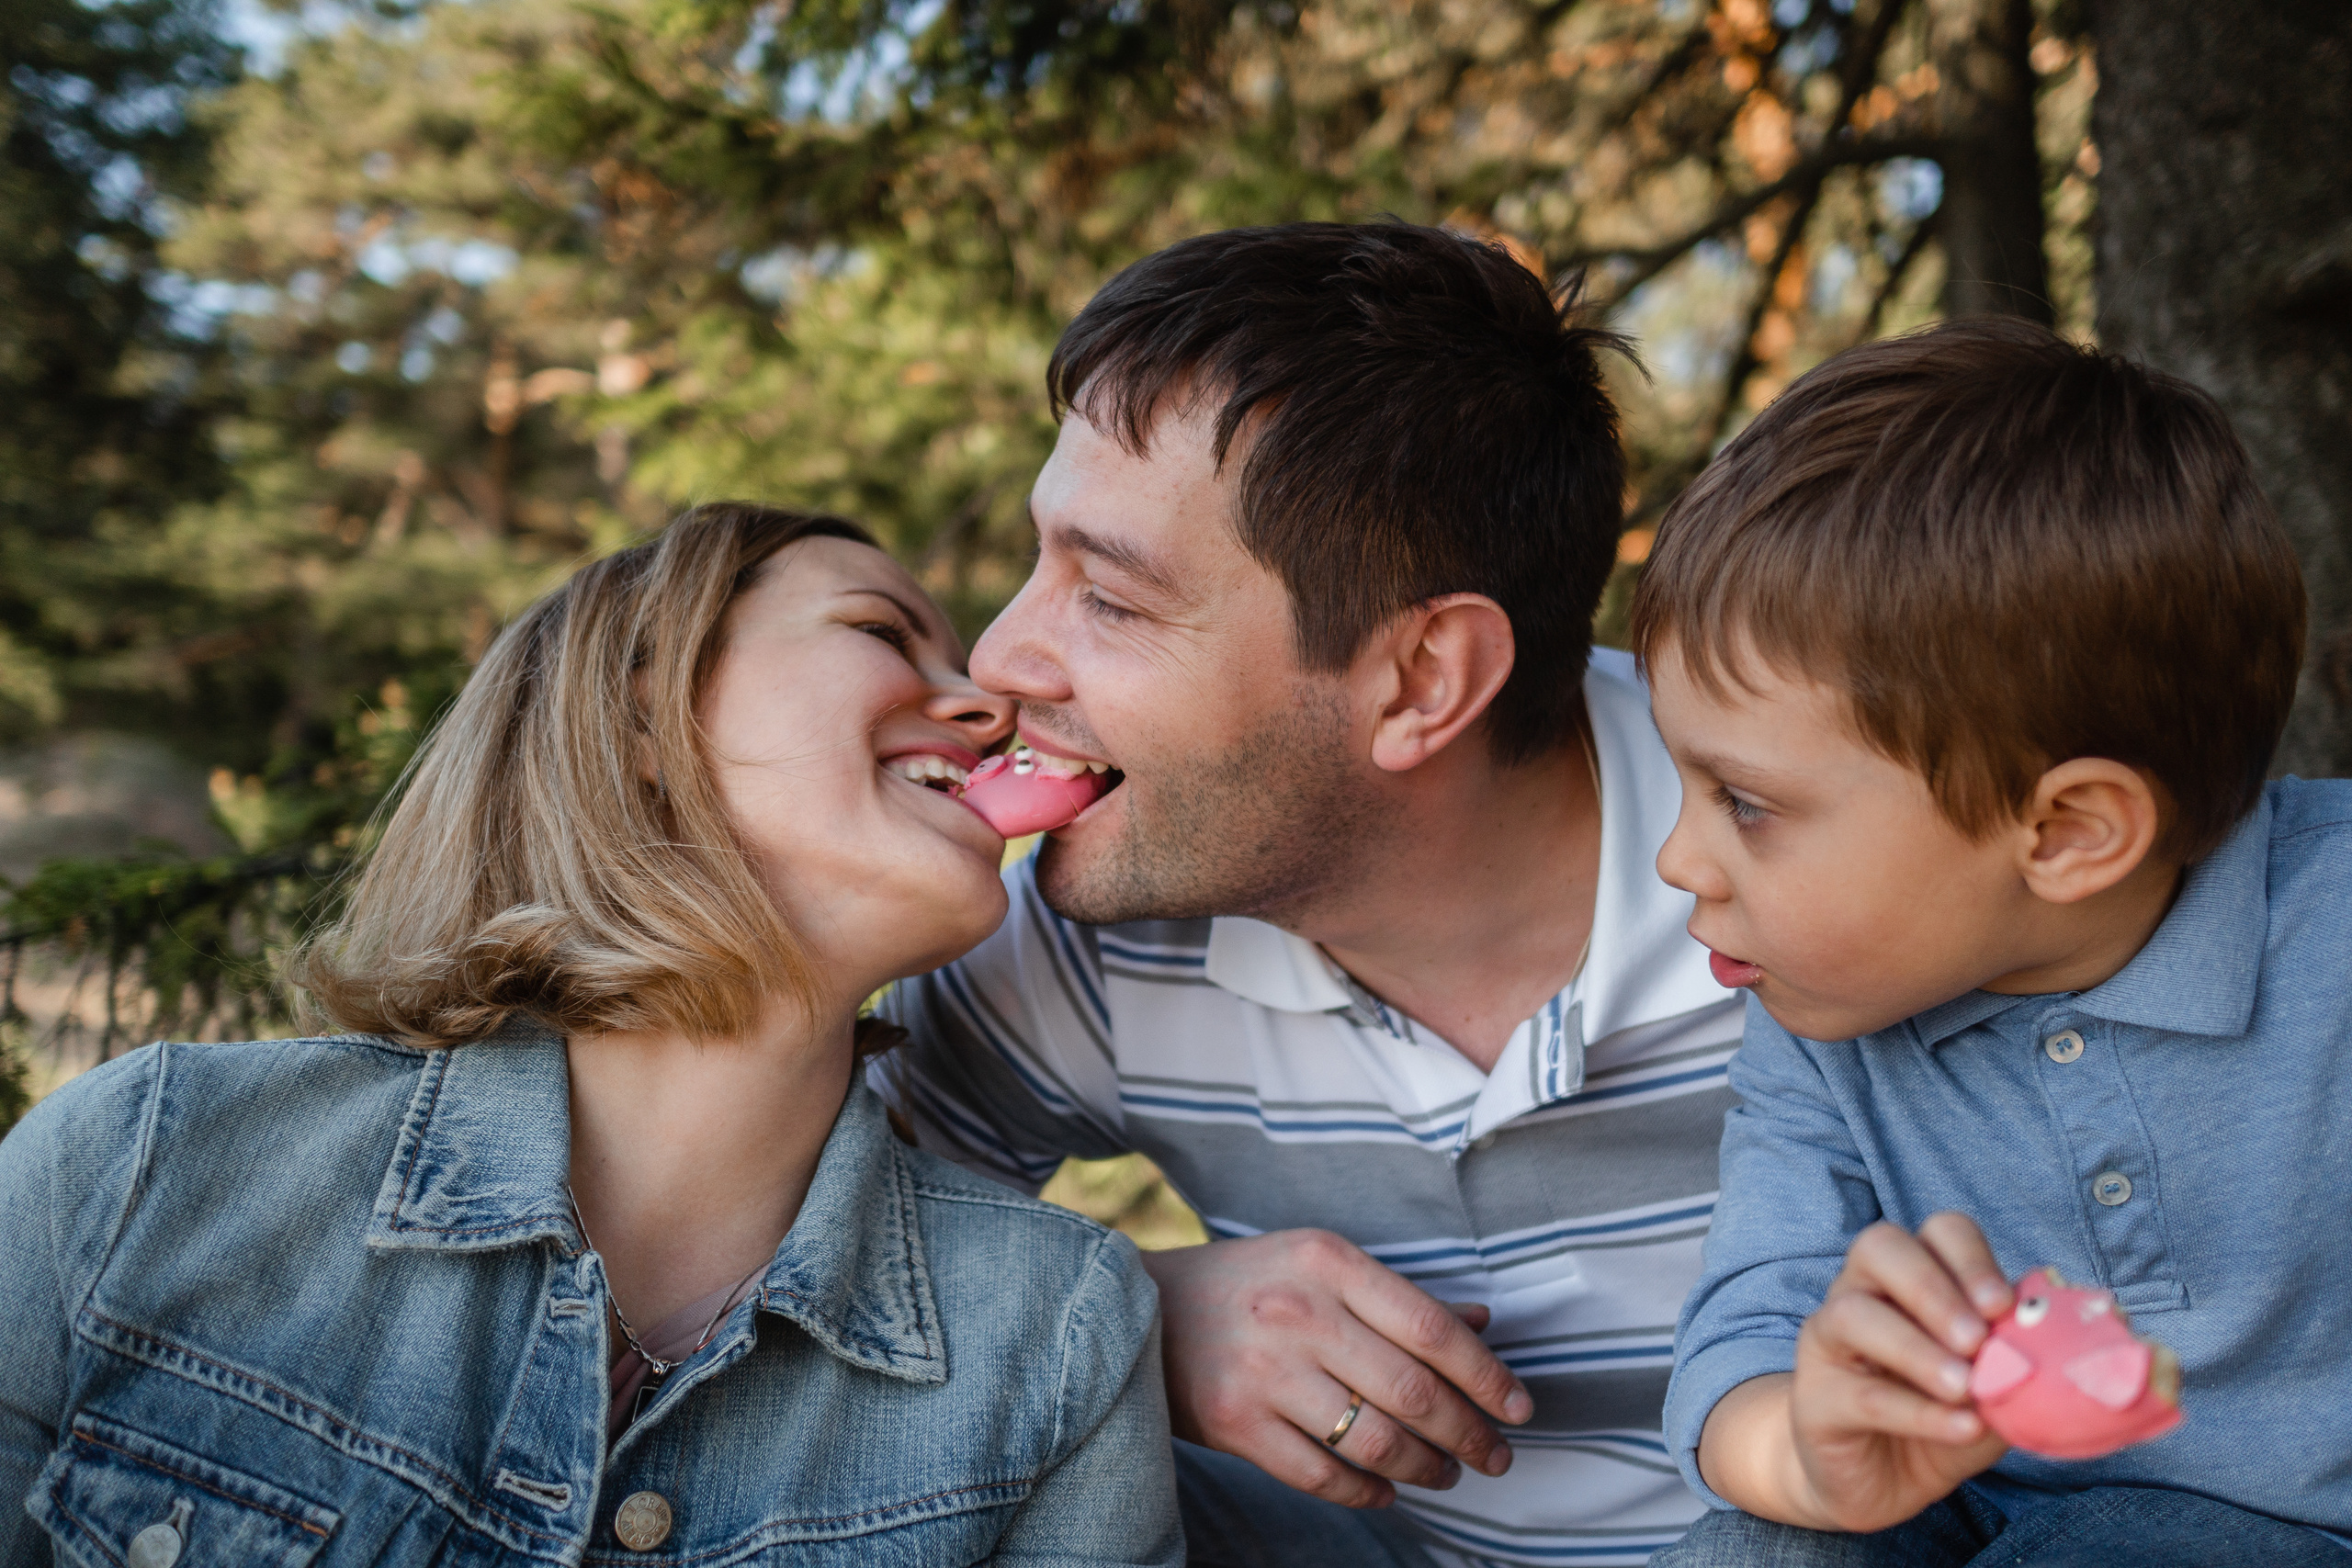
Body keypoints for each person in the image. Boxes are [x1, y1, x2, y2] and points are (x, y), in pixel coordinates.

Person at [0, 504, 1182, 1567]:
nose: (988, 713)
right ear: (643, 715)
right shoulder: (144, 1168)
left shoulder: (1060, 1338)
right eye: (882, 631)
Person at [873, 221, 1747, 1567]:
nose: (997, 656)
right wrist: (1143, 1312)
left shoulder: (1818, 869)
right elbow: (812, 1247)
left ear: (1421, 681)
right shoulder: (1093, 920)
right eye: (1042, 563)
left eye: (1109, 598)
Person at [1632, 320, 2352, 1565]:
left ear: (2068, 831)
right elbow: (1747, 1323)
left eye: (1746, 804)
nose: (1680, 862)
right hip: (1946, 1503)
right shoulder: (1825, 1015)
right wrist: (1811, 1443)